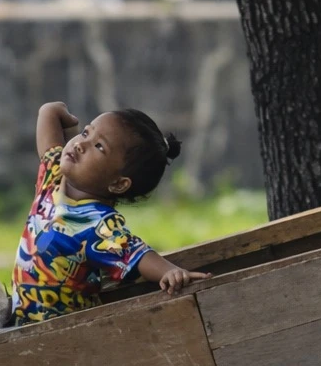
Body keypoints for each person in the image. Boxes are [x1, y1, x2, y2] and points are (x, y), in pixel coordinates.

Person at [11, 102, 211, 325]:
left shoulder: (99, 224)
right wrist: (62, 116)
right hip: (23, 320)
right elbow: (49, 117)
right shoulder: (54, 178)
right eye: (86, 133)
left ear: (118, 184)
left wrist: (170, 271)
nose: (80, 144)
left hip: (62, 330)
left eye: (99, 147)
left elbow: (137, 254)